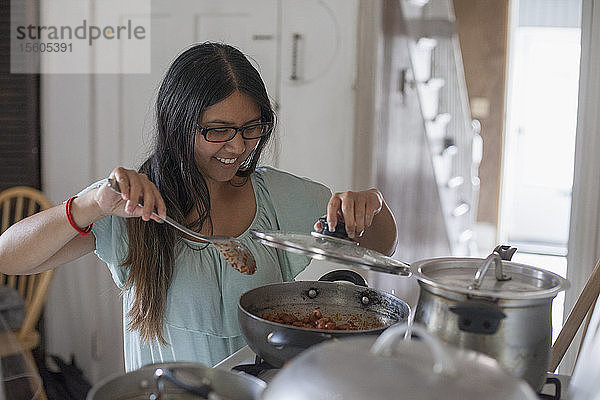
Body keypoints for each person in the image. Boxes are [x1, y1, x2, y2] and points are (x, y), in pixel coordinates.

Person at [0, 42, 397, 371]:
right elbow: (8, 258)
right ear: (178, 123)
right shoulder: (131, 206)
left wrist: (371, 206)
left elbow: (382, 246)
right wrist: (87, 206)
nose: (239, 147)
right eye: (218, 130)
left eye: (251, 129)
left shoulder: (281, 198)